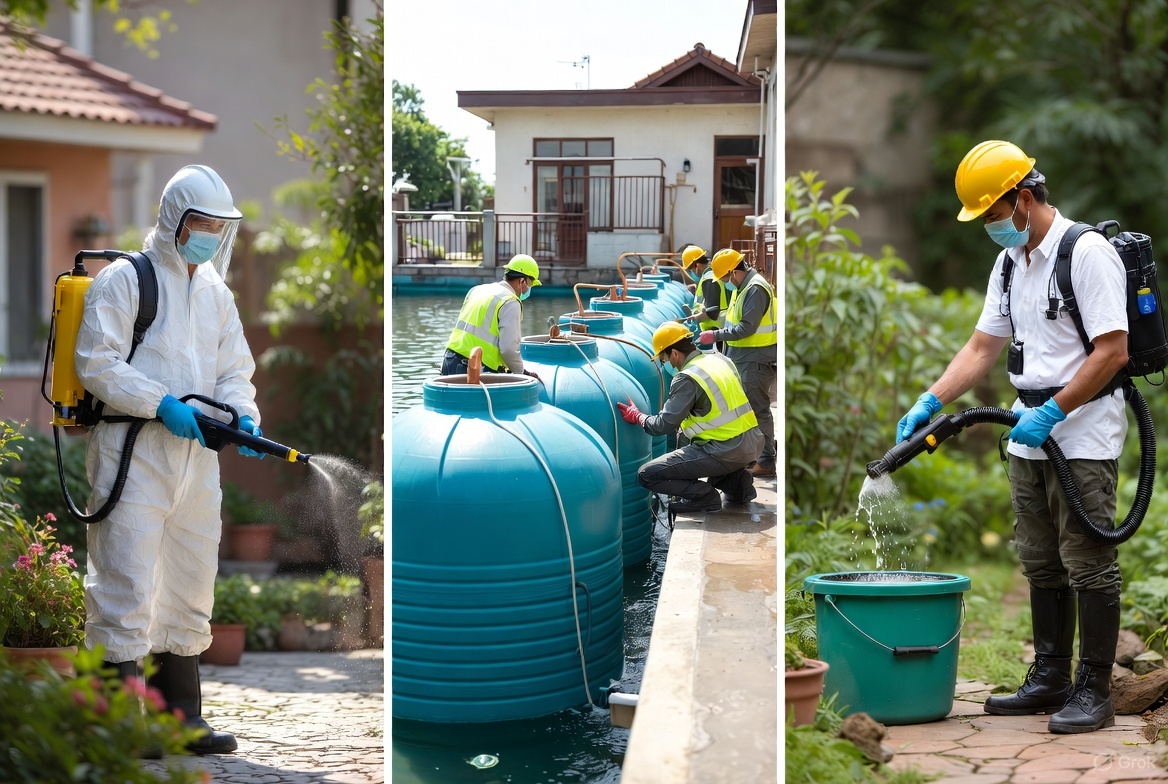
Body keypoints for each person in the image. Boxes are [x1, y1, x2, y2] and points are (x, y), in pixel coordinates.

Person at [897, 140, 1129, 734]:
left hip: (1082, 431)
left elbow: (1111, 353)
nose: (990, 230)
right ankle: (1050, 674)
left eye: (994, 216)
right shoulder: (1010, 263)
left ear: (1024, 199)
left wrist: (1053, 411)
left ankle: (1094, 689)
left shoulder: (1086, 253)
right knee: (1039, 558)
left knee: (1088, 559)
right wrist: (931, 400)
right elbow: (981, 348)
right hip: (1027, 431)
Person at [76, 164, 268, 755]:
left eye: (219, 224)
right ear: (174, 220)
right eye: (202, 222)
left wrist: (240, 414)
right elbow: (97, 362)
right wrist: (159, 404)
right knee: (125, 580)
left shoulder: (215, 292)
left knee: (188, 581)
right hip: (131, 452)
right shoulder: (125, 281)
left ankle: (180, 717)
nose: (211, 233)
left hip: (195, 461)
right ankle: (113, 724)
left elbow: (235, 369)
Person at [616, 322, 763, 513]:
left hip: (724, 449)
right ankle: (738, 484)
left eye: (664, 358)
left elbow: (663, 425)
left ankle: (705, 497)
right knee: (705, 465)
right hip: (752, 444)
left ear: (675, 353)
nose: (666, 364)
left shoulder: (687, 377)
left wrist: (638, 417)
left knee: (647, 474)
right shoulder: (721, 360)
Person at [699, 248, 777, 478]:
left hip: (756, 359)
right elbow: (733, 317)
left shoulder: (755, 289)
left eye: (724, 278)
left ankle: (767, 460)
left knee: (759, 409)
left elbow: (746, 328)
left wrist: (716, 335)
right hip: (744, 358)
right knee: (749, 409)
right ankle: (756, 455)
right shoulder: (742, 288)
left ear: (734, 272)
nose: (724, 282)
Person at [440, 254, 542, 378]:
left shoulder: (477, 290)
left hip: (449, 360)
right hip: (475, 368)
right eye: (530, 284)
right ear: (522, 281)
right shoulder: (510, 302)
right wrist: (521, 373)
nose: (528, 289)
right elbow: (508, 349)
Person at [682, 245, 728, 351]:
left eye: (691, 269)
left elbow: (713, 311)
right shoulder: (712, 274)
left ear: (696, 265)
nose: (691, 272)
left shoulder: (709, 279)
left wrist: (695, 319)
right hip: (721, 332)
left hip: (717, 333)